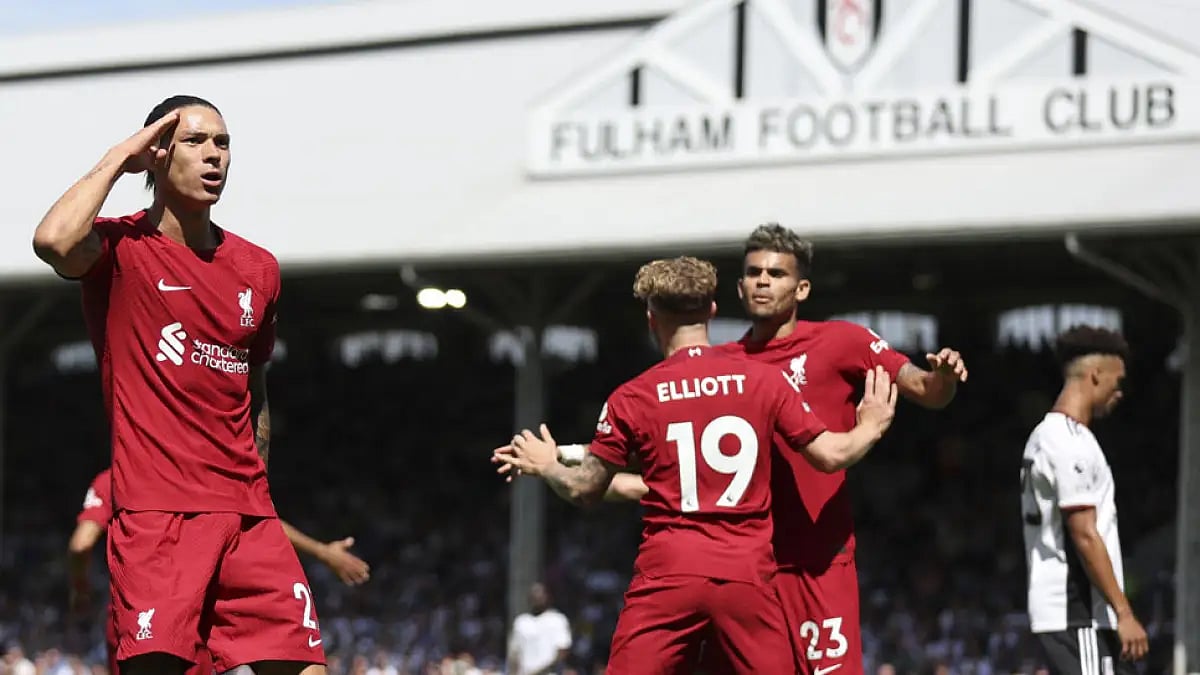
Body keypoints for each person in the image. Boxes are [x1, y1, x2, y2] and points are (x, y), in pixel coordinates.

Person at [551, 224, 969, 675]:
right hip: (749, 569)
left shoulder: (841, 341)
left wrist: (942, 379)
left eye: (776, 273)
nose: (763, 281)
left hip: (816, 560)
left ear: (802, 287)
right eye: (753, 273)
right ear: (736, 287)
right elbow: (667, 480)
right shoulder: (728, 367)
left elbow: (925, 389)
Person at [33, 95, 326, 675]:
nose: (214, 155)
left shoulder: (258, 268)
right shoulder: (120, 250)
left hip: (247, 515)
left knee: (309, 666)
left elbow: (254, 386)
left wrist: (257, 481)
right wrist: (121, 157)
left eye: (223, 143)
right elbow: (53, 242)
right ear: (158, 153)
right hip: (156, 516)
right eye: (196, 141)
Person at [493, 256, 899, 674]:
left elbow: (585, 488)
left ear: (652, 318)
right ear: (712, 311)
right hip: (747, 579)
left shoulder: (634, 397)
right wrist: (869, 426)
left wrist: (546, 464)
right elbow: (831, 455)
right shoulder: (764, 380)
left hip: (668, 578)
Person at [69, 468, 371, 675]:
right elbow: (253, 519)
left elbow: (81, 544)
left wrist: (80, 589)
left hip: (148, 615)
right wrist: (321, 551)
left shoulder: (115, 479)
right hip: (204, 605)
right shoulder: (204, 468)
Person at [1020, 325, 1149, 674]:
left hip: (1075, 616)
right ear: (1096, 375)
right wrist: (1123, 612)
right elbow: (1084, 534)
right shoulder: (1067, 442)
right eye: (1117, 382)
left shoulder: (1049, 436)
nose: (1119, 393)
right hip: (1079, 614)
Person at [507, 583, 572, 675]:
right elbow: (514, 654)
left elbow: (562, 651)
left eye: (540, 593)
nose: (537, 597)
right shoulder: (521, 622)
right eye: (534, 593)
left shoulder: (558, 619)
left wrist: (539, 671)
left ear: (548, 596)